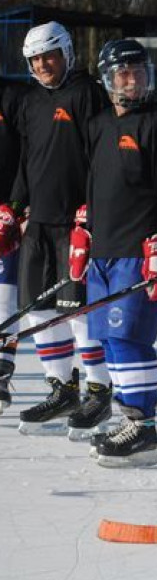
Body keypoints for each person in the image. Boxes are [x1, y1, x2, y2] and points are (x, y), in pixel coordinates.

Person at [77, 39, 157, 466]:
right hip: (102, 251)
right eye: (124, 73)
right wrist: (84, 225)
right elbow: (95, 183)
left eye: (139, 71)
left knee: (130, 339)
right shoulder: (99, 124)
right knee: (107, 339)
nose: (134, 79)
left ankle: (142, 428)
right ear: (108, 80)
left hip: (138, 252)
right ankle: (129, 420)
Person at [7, 21, 112, 437]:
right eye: (34, 59)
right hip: (39, 222)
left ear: (67, 53)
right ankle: (62, 388)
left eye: (49, 55)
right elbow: (27, 161)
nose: (42, 64)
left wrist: (94, 211)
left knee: (80, 312)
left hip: (77, 223)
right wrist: (13, 207)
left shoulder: (88, 94)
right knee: (40, 309)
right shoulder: (31, 102)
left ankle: (99, 391)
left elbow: (104, 157)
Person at [0, 68, 27, 411]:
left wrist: (19, 204)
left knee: (5, 298)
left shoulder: (15, 97)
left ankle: (2, 371)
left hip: (5, 210)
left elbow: (32, 153)